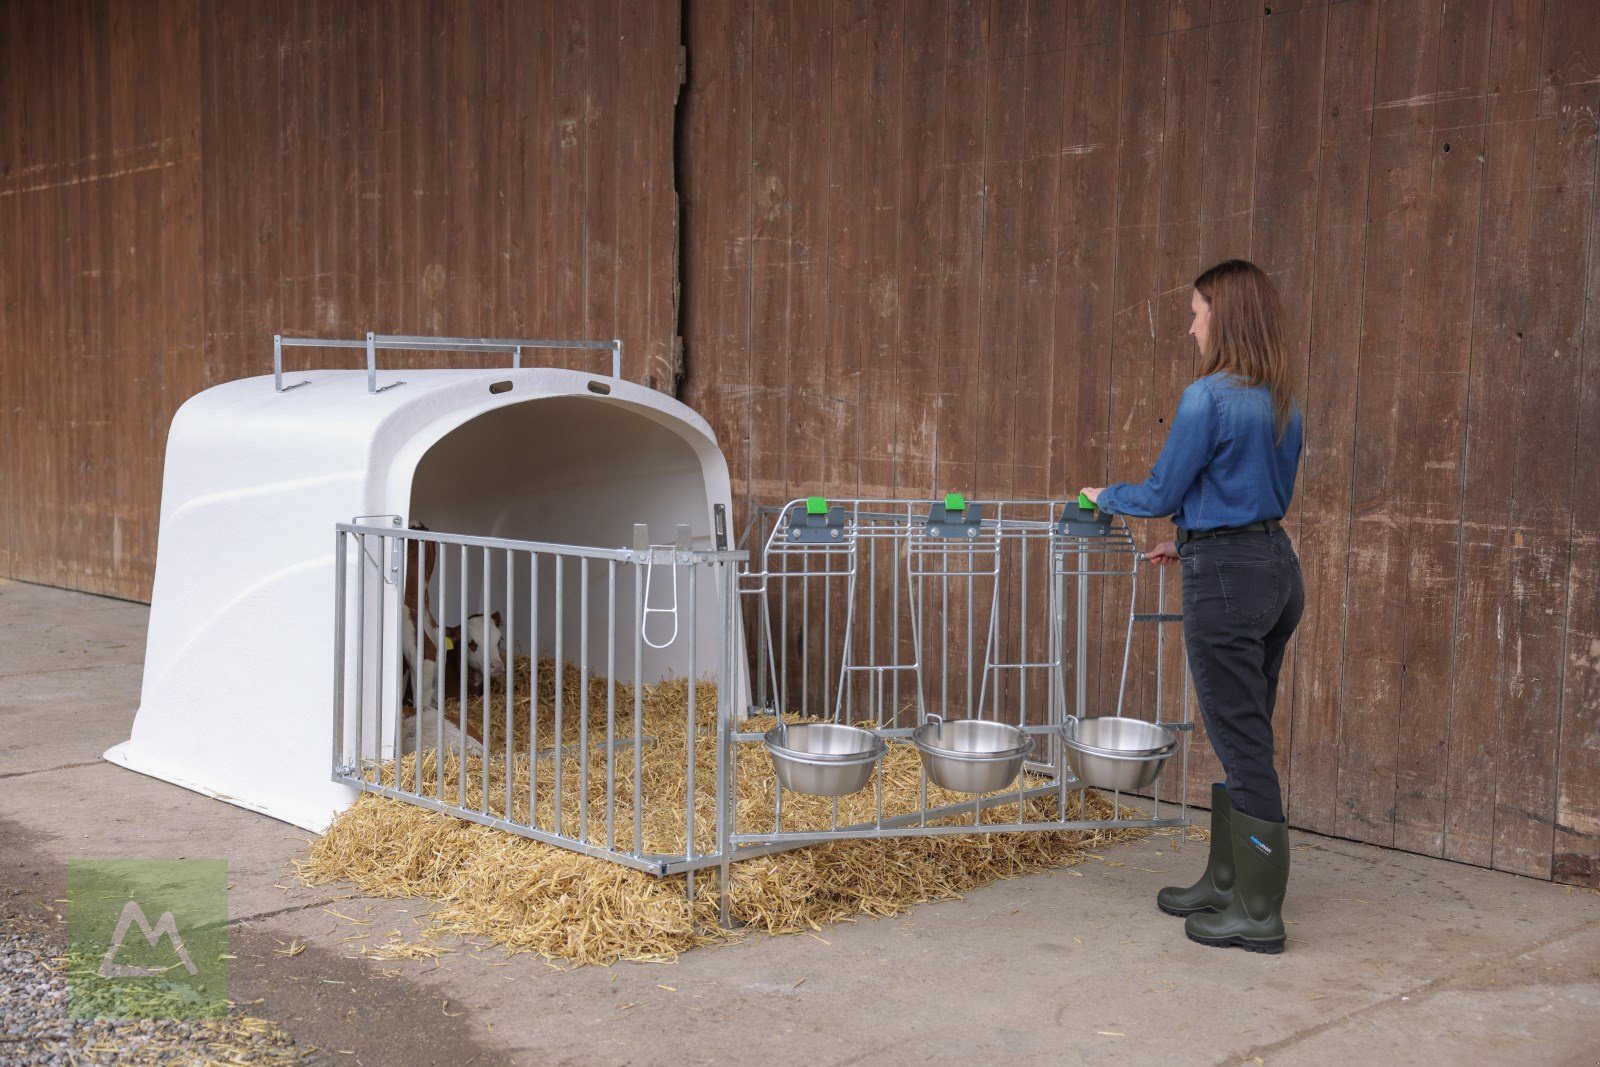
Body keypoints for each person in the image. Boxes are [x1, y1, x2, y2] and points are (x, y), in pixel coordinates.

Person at [1079, 259, 1305, 954]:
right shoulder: (1283, 400)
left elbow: (1161, 490)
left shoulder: (1207, 397)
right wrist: (1191, 540)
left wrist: (1101, 497)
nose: (1191, 323)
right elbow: (1258, 492)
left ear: (1224, 315)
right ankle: (1227, 881)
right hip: (1275, 569)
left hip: (1228, 581)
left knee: (1241, 741)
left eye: (1198, 310)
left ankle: (1260, 914)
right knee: (1247, 731)